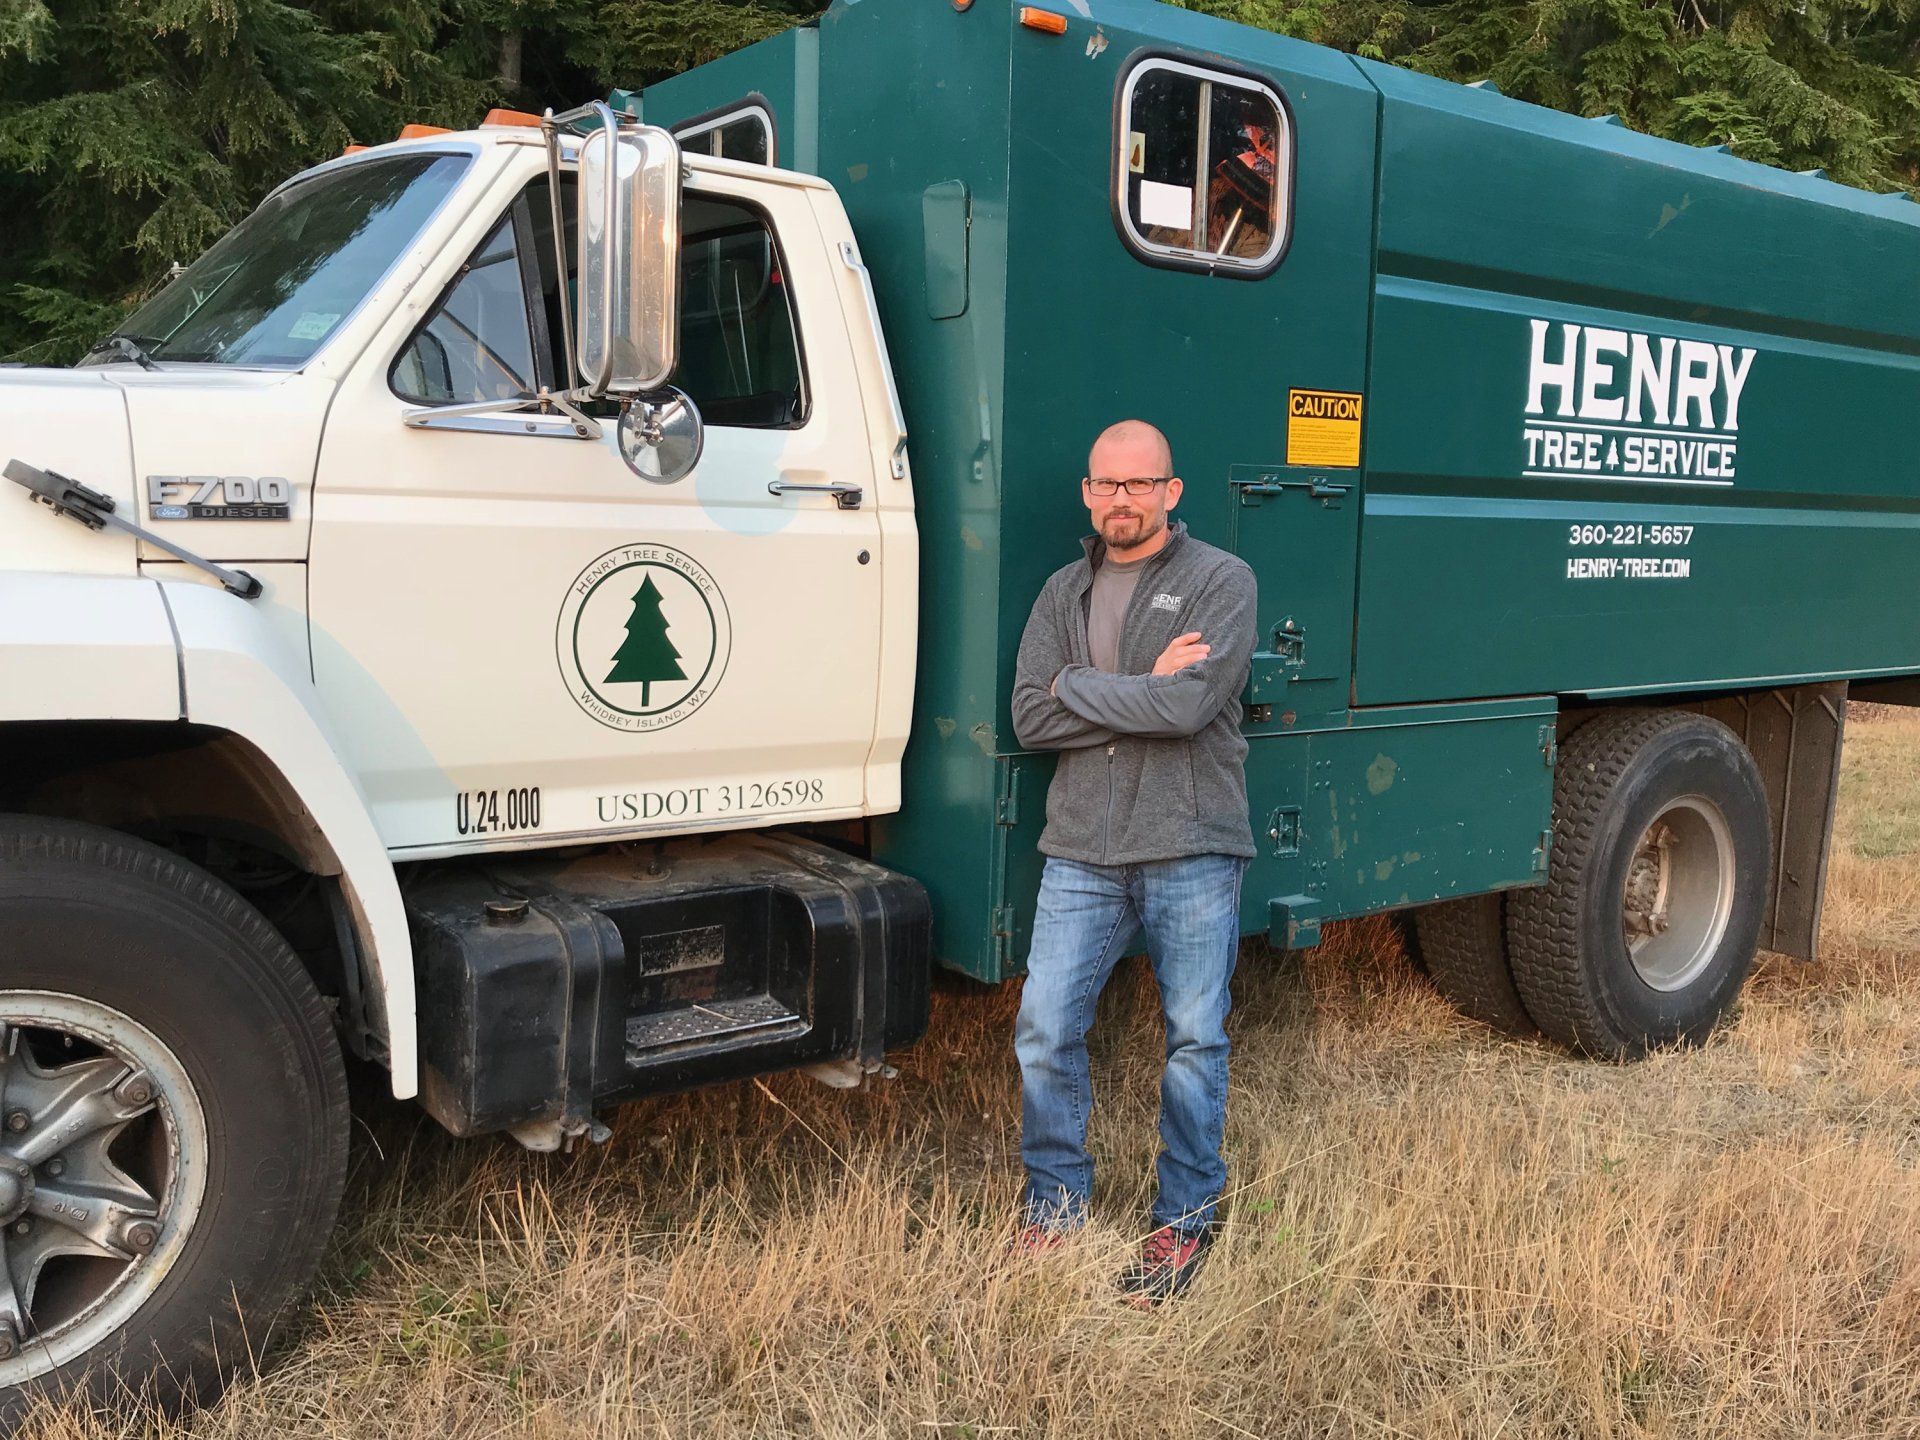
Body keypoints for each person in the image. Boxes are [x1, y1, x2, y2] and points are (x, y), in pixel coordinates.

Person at [1007, 418, 1258, 1308]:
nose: (1123, 500)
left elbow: (1190, 707)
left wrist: (1086, 685)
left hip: (1189, 843)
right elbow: (1029, 718)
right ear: (1087, 493)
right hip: (1080, 847)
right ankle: (1055, 1206)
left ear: (1171, 492)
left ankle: (1184, 1223)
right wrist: (1139, 687)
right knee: (1043, 1028)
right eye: (1107, 485)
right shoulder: (1060, 592)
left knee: (1194, 1039)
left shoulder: (1221, 581)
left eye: (1140, 485)